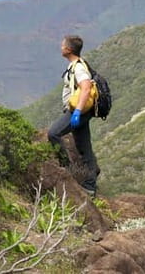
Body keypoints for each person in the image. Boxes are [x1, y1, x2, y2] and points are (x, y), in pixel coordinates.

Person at [47, 35, 100, 196]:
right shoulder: (75, 65)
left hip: (79, 111)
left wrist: (76, 112)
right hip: (82, 111)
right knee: (84, 147)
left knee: (53, 133)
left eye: (63, 45)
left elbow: (85, 88)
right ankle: (90, 184)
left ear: (68, 49)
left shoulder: (78, 68)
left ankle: (67, 169)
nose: (61, 47)